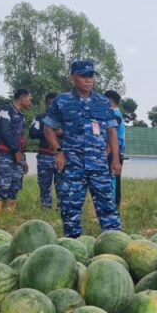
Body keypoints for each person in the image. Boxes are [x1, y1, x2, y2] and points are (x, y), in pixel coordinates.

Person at [42, 60, 122, 238]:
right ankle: (73, 247)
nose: (88, 80)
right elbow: (48, 129)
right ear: (72, 77)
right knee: (70, 209)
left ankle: (114, 243)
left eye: (91, 76)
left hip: (98, 165)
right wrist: (58, 150)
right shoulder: (62, 101)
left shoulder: (102, 102)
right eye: (83, 75)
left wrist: (115, 160)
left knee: (108, 207)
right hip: (72, 165)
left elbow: (112, 132)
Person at [0, 88, 32, 218]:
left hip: (18, 154)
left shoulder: (21, 116)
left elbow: (20, 139)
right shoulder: (6, 110)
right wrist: (15, 151)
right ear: (22, 97)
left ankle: (8, 218)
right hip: (5, 153)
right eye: (29, 99)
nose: (30, 102)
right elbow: (5, 131)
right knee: (3, 185)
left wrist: (23, 158)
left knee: (15, 186)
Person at [30, 92, 61, 208]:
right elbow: (32, 133)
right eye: (49, 104)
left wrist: (62, 132)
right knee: (44, 184)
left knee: (62, 184)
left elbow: (75, 133)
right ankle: (45, 207)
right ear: (46, 104)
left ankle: (61, 208)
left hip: (60, 155)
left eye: (54, 104)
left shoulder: (64, 119)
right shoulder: (40, 118)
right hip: (44, 156)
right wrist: (48, 133)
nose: (51, 106)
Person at [104, 90, 126, 208]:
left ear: (110, 101)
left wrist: (107, 153)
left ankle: (113, 206)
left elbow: (113, 137)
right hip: (113, 152)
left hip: (114, 153)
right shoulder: (115, 114)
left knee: (112, 181)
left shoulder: (115, 115)